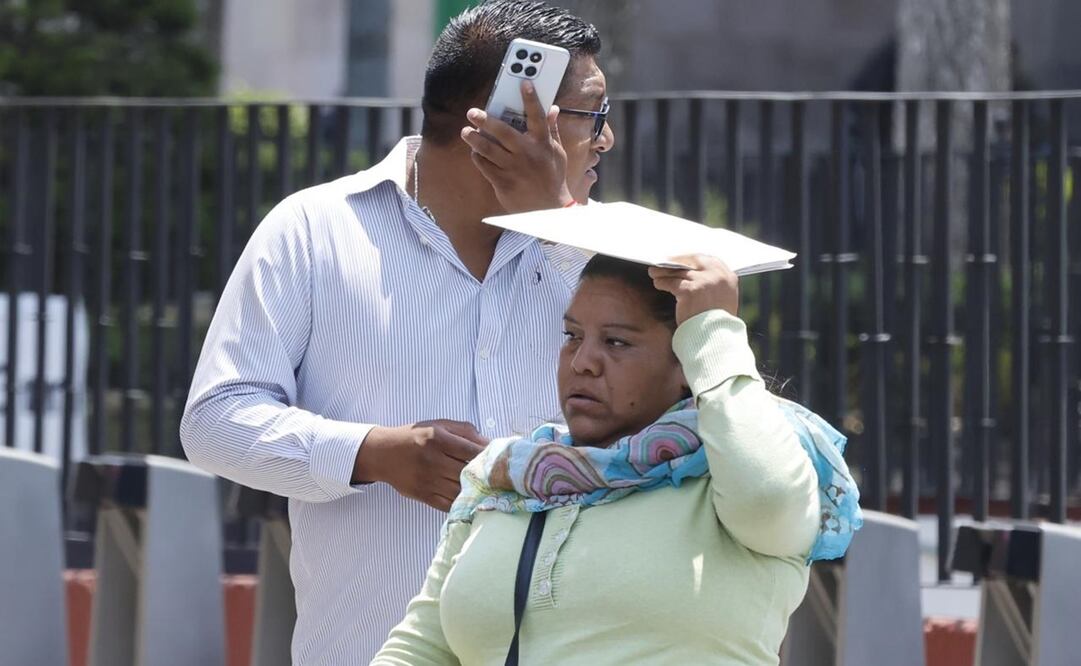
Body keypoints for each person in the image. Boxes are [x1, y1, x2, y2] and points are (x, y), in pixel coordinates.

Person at [179, 1, 614, 662]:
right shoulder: (315, 230)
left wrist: (556, 223)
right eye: (593, 115)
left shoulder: (609, 255)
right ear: (509, 123)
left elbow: (686, 421)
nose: (606, 139)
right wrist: (370, 453)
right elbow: (214, 421)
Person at [372, 254, 861, 665]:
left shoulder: (740, 463)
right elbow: (422, 648)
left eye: (617, 342)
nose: (583, 361)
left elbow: (768, 497)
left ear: (687, 364)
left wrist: (716, 333)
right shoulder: (509, 476)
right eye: (571, 336)